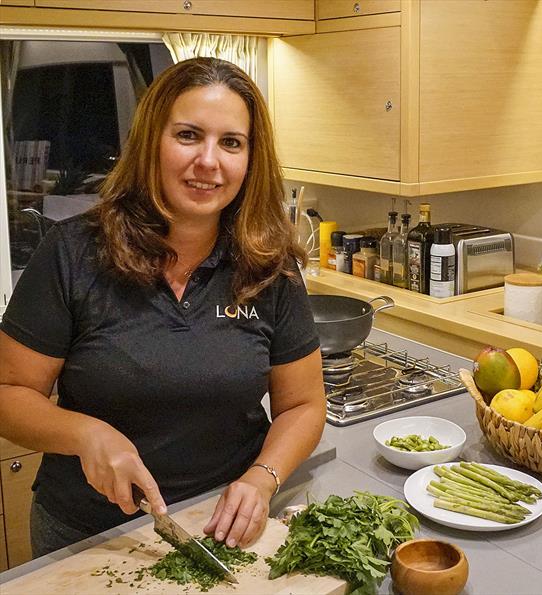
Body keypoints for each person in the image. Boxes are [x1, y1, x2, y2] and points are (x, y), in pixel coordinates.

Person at [0, 57, 326, 557]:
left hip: (222, 528)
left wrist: (262, 479)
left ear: (250, 159)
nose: (209, 161)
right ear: (152, 140)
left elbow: (303, 405)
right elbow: (9, 394)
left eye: (231, 142)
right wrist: (85, 433)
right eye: (189, 135)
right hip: (89, 537)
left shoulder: (269, 266)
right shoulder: (72, 253)